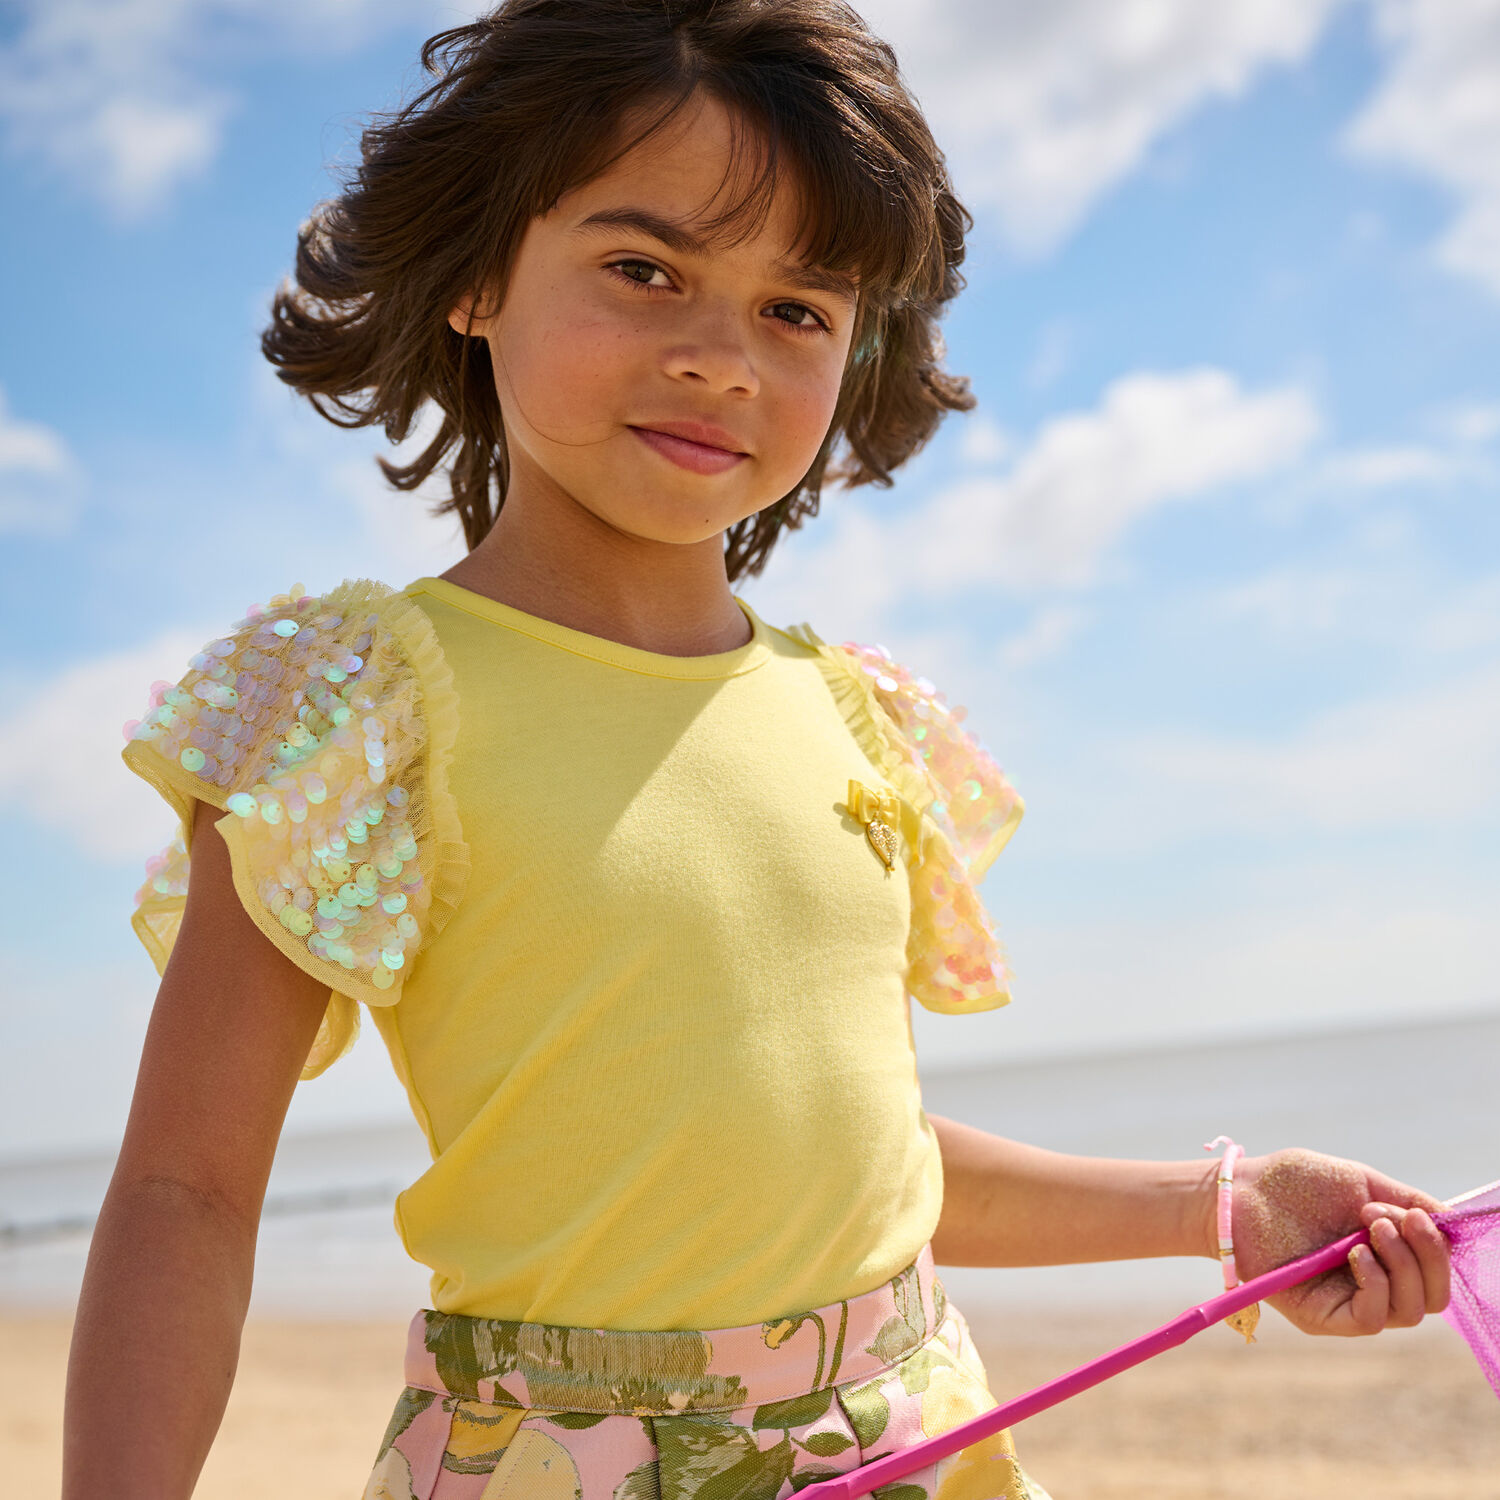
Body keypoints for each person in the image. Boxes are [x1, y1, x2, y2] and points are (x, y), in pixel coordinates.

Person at [66, 3, 1452, 1497]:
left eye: (798, 309)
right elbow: (185, 1194)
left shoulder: (855, 715)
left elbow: (857, 1168)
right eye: (643, 270)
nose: (720, 358)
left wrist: (1226, 1208)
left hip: (920, 1448)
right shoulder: (362, 706)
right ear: (479, 276)